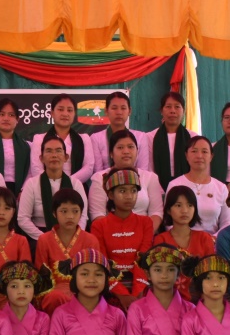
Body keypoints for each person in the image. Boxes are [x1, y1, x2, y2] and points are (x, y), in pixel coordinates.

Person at [34, 188, 101, 312]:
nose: (70, 216)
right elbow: (41, 277)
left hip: (83, 290)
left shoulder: (91, 240)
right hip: (54, 293)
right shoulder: (44, 240)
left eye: (75, 211)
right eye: (63, 211)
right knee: (54, 297)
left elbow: (95, 274)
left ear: (81, 213)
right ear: (54, 213)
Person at [91, 169, 153, 301]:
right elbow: (103, 264)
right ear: (111, 195)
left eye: (133, 191)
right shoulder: (99, 226)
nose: (129, 196)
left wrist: (137, 292)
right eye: (123, 191)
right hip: (109, 286)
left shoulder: (146, 223)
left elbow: (143, 260)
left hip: (141, 285)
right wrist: (121, 295)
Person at [17, 135, 88, 241]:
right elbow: (23, 219)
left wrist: (74, 237)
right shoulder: (31, 184)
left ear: (66, 157)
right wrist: (45, 238)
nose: (54, 155)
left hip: (71, 236)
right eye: (49, 151)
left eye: (58, 151)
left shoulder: (76, 184)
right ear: (41, 158)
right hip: (40, 237)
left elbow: (83, 216)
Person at [87, 130, 163, 227]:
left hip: (144, 234)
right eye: (120, 147)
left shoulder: (150, 177)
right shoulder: (99, 178)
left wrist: (143, 235)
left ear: (137, 151)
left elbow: (156, 213)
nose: (126, 151)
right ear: (111, 153)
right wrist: (120, 235)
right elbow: (97, 215)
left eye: (131, 147)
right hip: (111, 235)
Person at [168, 135, 230, 234]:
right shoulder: (175, 185)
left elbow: (227, 222)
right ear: (186, 155)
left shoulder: (221, 188)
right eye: (194, 151)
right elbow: (168, 221)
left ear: (211, 156)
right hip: (181, 243)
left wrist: (214, 239)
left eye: (204, 151)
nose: (199, 156)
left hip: (213, 243)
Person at [27, 93, 94, 186]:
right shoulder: (39, 138)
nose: (65, 114)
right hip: (46, 187)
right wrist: (53, 184)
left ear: (74, 114)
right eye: (60, 109)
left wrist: (68, 182)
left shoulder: (84, 138)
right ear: (52, 113)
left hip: (76, 188)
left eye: (70, 110)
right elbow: (36, 169)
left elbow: (88, 168)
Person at [88, 91, 149, 179]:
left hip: (136, 185)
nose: (119, 112)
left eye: (123, 108)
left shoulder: (140, 137)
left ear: (130, 111)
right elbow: (98, 171)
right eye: (114, 108)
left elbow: (143, 170)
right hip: (105, 185)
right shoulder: (96, 138)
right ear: (106, 111)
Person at [0, 98, 30, 194]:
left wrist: (24, 191)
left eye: (11, 115)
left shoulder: (27, 145)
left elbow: (30, 172)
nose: (6, 118)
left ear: (17, 119)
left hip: (19, 192)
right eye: (1, 114)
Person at [147, 91, 192, 191]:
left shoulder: (192, 137)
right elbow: (149, 167)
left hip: (188, 188)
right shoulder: (150, 137)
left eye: (177, 107)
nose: (172, 111)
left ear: (183, 111)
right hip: (157, 189)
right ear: (161, 111)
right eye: (168, 106)